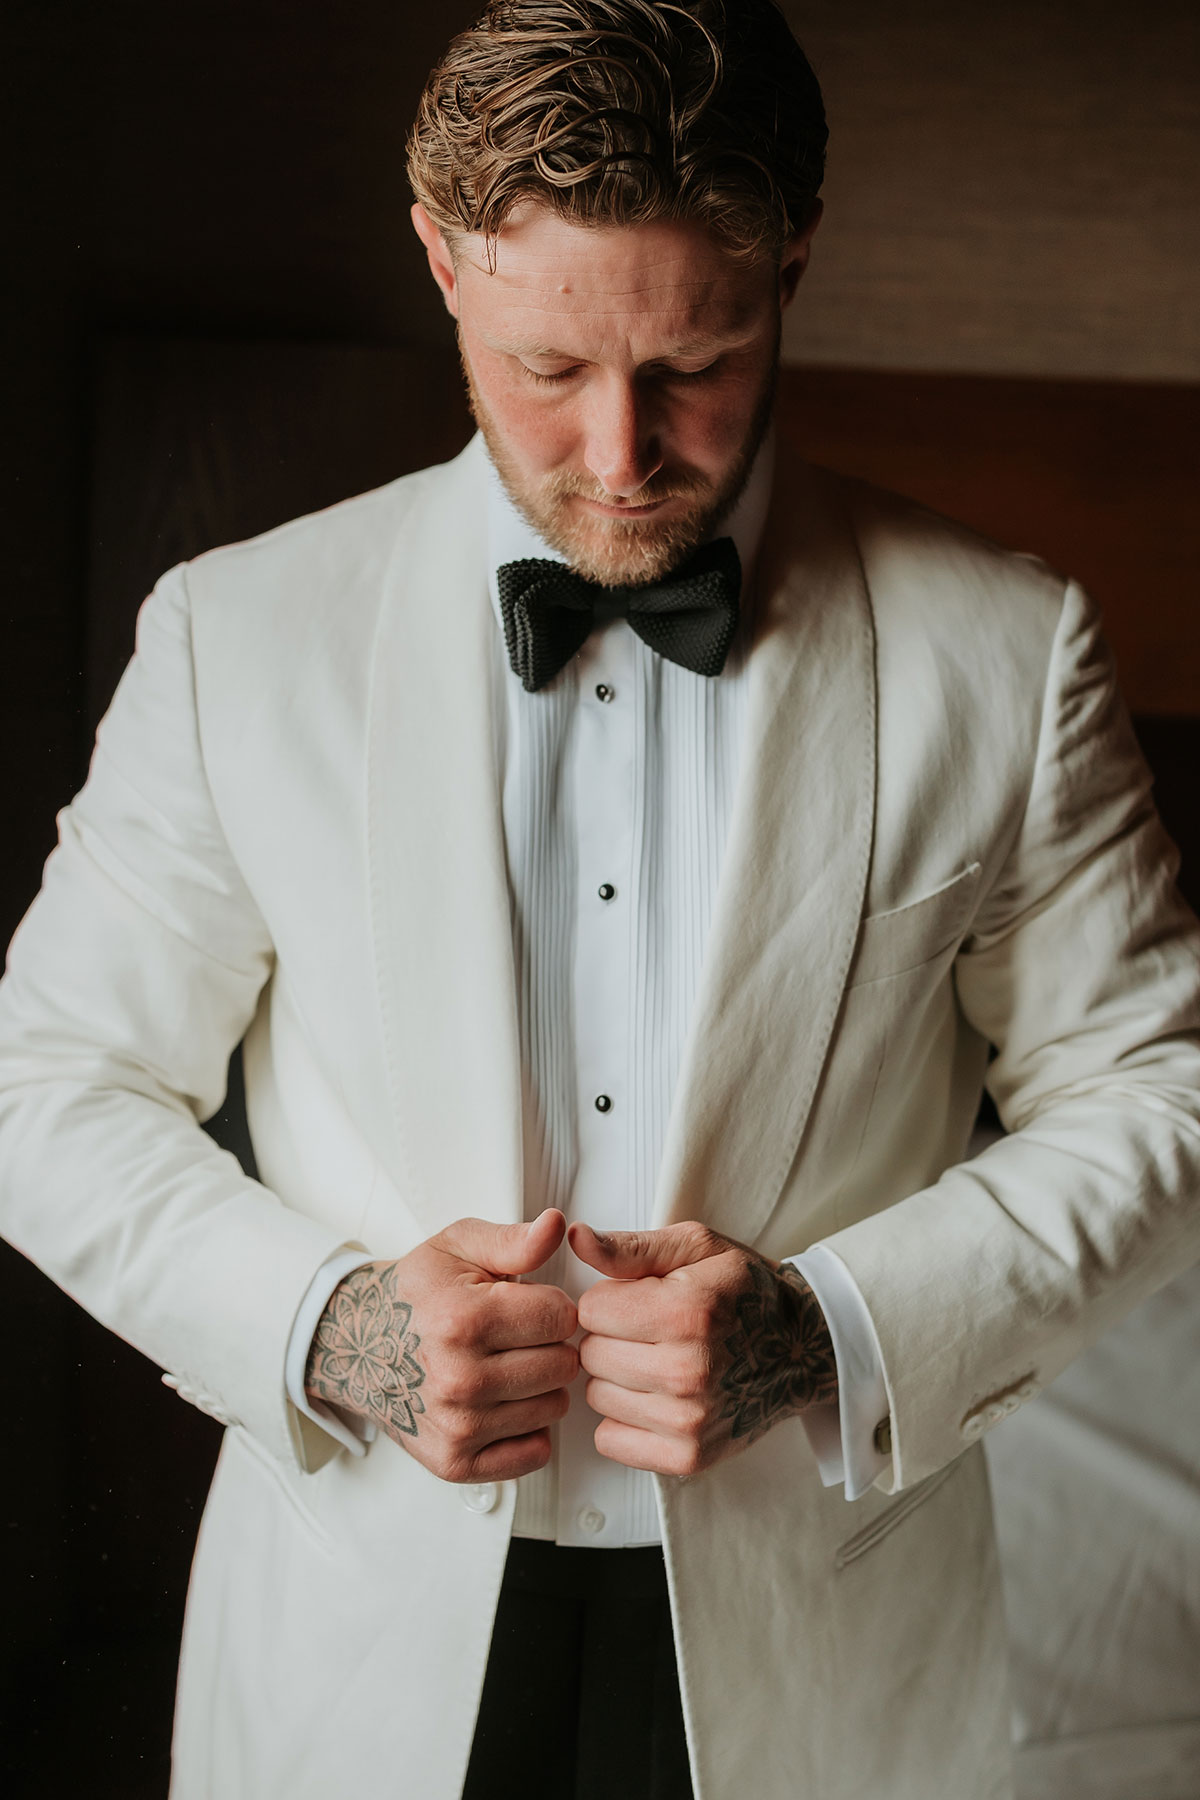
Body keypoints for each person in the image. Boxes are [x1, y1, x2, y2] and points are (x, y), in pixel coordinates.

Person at [1, 2, 1198, 1796]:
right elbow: (45, 1086)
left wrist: (832, 1331)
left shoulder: (1009, 656)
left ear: (792, 261)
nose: (622, 452)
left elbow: (1157, 1092)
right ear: (441, 263)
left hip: (820, 1640)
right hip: (360, 1636)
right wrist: (332, 1326)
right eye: (550, 366)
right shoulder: (233, 640)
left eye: (695, 360)